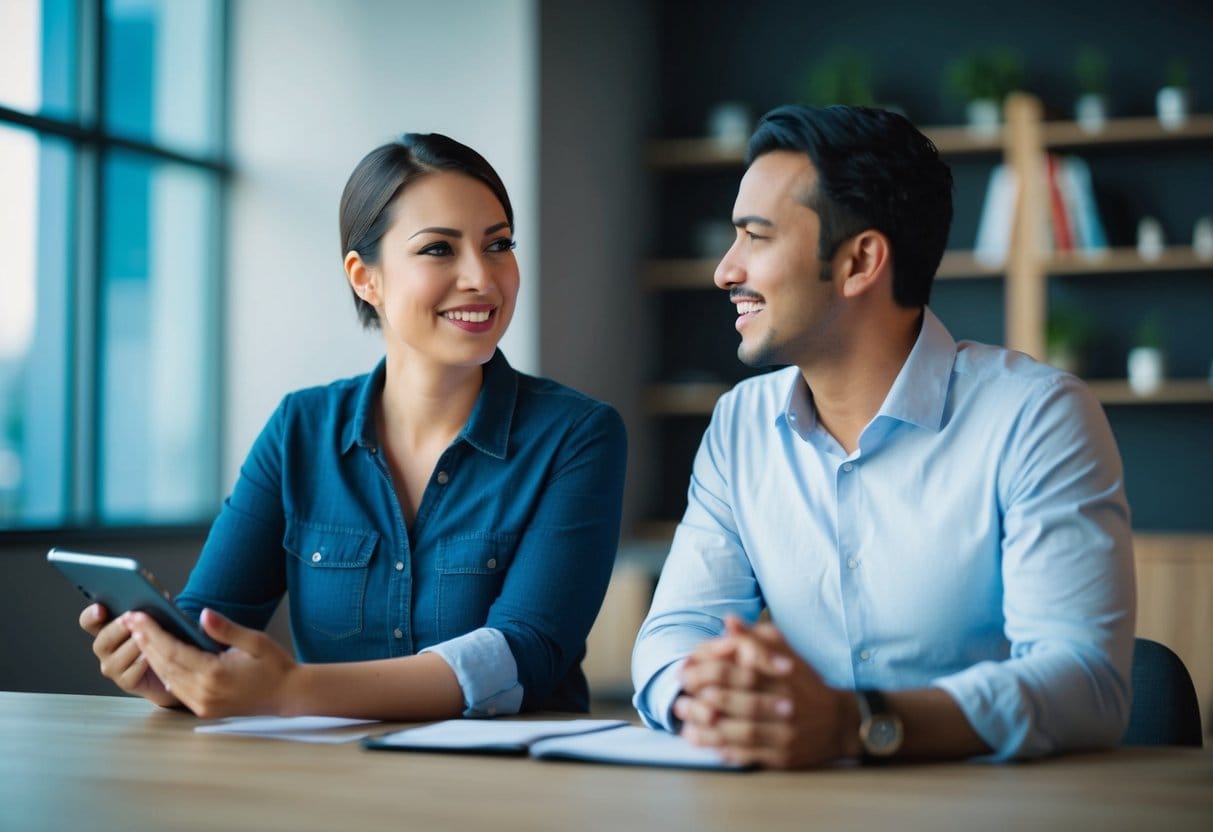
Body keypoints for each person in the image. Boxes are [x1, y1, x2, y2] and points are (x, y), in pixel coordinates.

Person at [631, 105, 1135, 769]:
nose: (725, 270)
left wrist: (858, 724)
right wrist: (711, 701)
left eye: (755, 236)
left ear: (860, 260)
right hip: (793, 801)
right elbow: (677, 630)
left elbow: (1084, 685)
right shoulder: (739, 424)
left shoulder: (1036, 417)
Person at [80, 133, 627, 721]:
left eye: (498, 245)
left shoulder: (577, 436)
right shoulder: (299, 430)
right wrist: (166, 668)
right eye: (439, 249)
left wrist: (290, 690)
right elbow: (211, 626)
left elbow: (524, 653)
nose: (482, 278)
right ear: (366, 278)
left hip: (510, 773)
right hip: (334, 772)